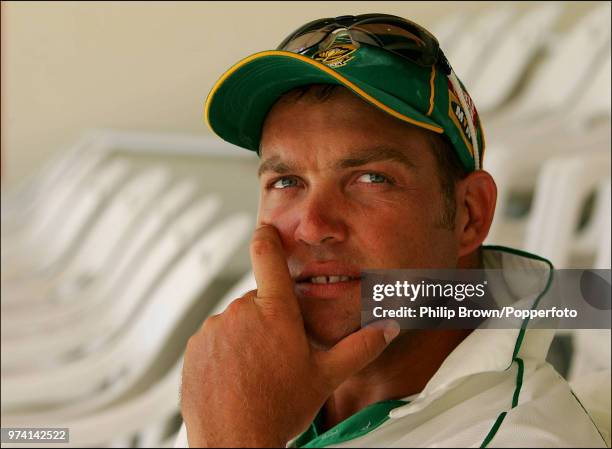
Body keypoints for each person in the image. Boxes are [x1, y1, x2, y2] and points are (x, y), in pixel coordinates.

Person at [178, 14, 607, 448]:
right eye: (286, 182)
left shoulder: (526, 438)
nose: (312, 227)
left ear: (470, 215)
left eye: (370, 179)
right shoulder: (249, 377)